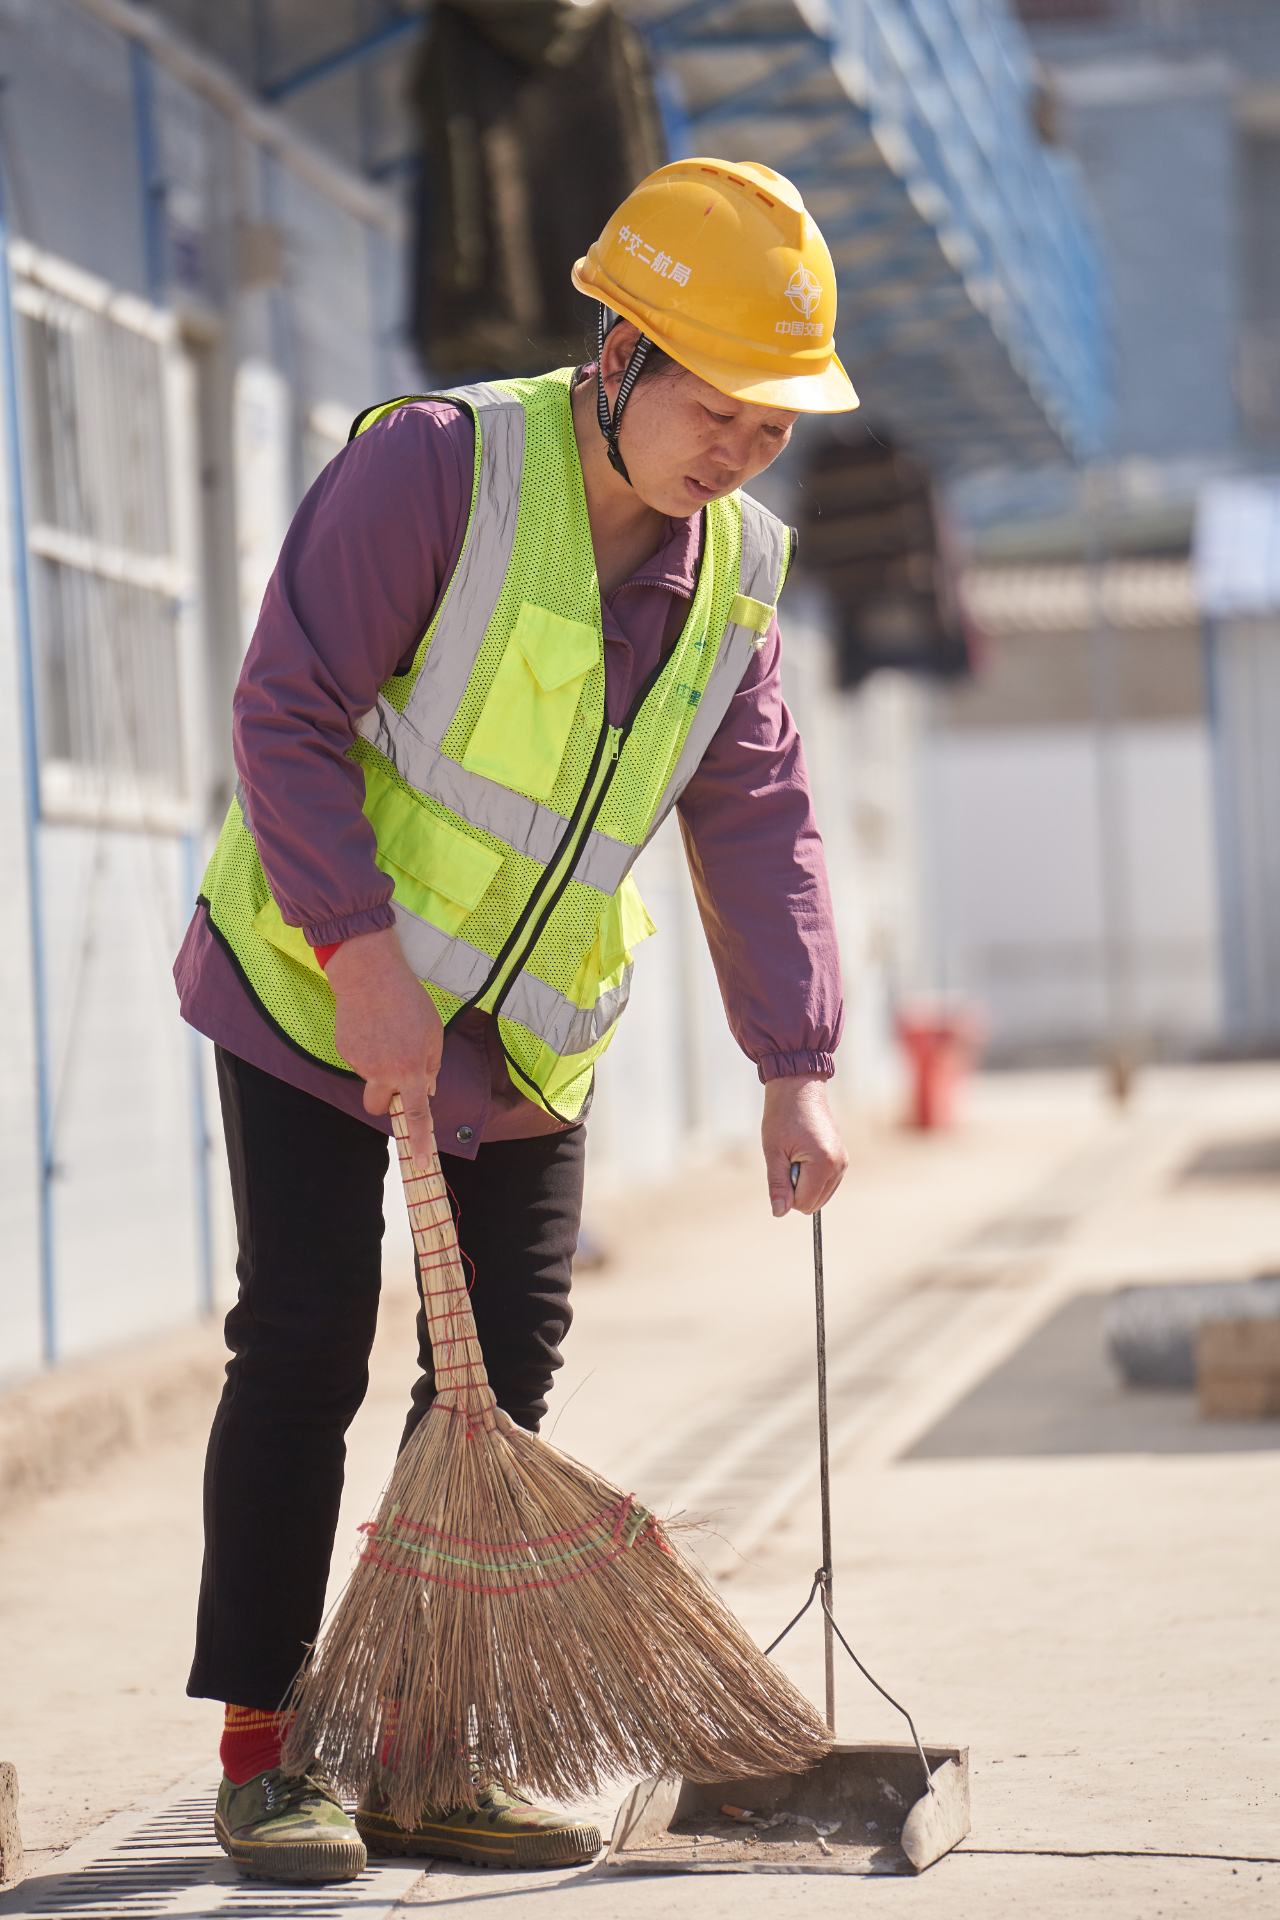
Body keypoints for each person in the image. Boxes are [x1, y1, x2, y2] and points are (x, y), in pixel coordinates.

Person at [174, 156, 856, 1885]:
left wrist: (796, 1068)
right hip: (313, 984)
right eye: (717, 409)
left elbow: (756, 812)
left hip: (526, 1042)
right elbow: (288, 702)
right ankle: (265, 1749)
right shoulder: (444, 468)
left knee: (505, 1375)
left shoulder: (738, 578)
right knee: (311, 1338)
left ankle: (417, 1742)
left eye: (772, 426)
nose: (739, 453)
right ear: (617, 352)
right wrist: (359, 951)